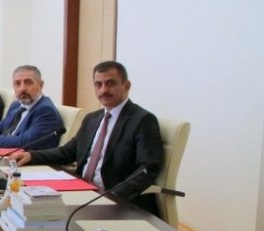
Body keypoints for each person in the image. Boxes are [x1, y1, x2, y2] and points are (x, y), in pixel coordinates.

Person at [11, 61, 164, 215]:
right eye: (98, 84)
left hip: (115, 199)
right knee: (27, 209)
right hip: (82, 190)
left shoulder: (142, 120)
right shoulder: (92, 118)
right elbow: (68, 152)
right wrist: (32, 156)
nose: (103, 90)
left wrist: (113, 195)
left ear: (126, 86)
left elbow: (148, 168)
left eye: (110, 83)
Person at [0, 65, 61, 149]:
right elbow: (1, 126)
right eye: (17, 83)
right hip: (4, 153)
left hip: (26, 159)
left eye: (28, 83)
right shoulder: (16, 105)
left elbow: (23, 142)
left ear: (41, 85)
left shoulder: (46, 110)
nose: (22, 88)